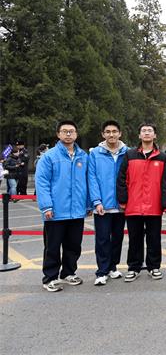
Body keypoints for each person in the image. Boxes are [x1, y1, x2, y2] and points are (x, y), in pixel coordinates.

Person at [35, 120, 89, 292]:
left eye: (71, 131)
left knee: (74, 245)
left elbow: (88, 182)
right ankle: (50, 277)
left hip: (77, 211)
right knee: (52, 246)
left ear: (76, 134)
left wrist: (88, 204)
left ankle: (68, 272)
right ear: (58, 134)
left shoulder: (83, 156)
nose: (68, 134)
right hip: (56, 211)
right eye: (64, 131)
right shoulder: (49, 157)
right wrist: (46, 206)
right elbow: (42, 183)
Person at [117, 123, 166, 282]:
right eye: (144, 131)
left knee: (154, 238)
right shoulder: (130, 155)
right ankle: (134, 267)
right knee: (135, 238)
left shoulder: (163, 157)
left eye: (150, 131)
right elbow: (121, 179)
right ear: (139, 135)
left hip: (154, 205)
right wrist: (123, 200)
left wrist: (165, 203)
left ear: (155, 135)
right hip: (134, 205)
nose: (147, 133)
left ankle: (154, 267)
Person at [88, 121, 128, 286]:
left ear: (120, 133)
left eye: (114, 131)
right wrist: (96, 201)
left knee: (118, 237)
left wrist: (126, 199)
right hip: (102, 205)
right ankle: (102, 271)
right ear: (103, 134)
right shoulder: (95, 154)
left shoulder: (128, 152)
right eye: (108, 132)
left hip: (121, 205)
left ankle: (113, 266)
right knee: (103, 239)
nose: (111, 135)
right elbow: (92, 178)